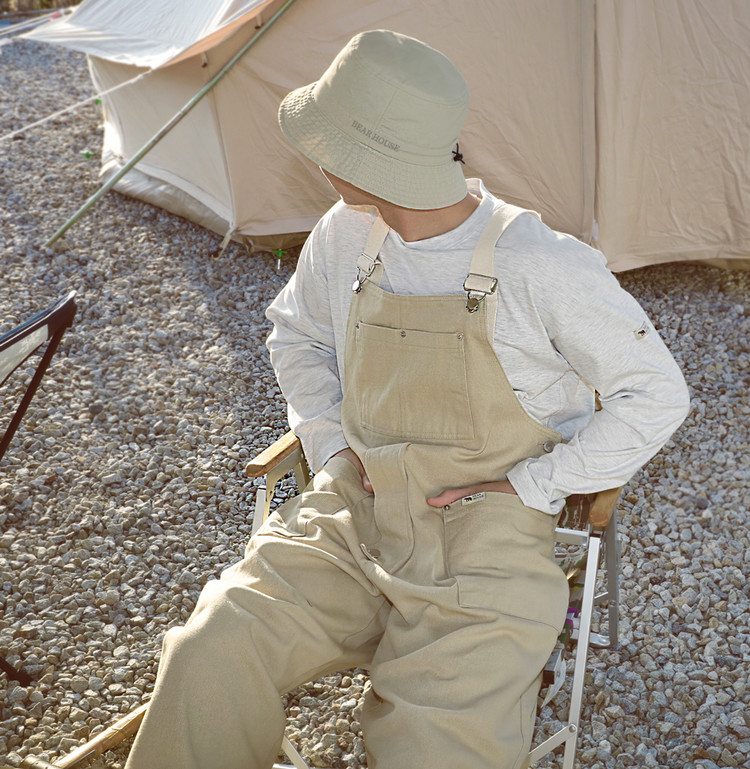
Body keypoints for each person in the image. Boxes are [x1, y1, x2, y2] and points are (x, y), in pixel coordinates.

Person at [125, 30, 689, 769]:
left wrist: (536, 483)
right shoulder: (345, 236)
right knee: (209, 652)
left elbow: (656, 393)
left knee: (434, 747)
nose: (315, 155)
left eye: (327, 139)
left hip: (485, 549)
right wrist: (330, 443)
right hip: (354, 516)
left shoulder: (538, 263)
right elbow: (296, 334)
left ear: (365, 161)